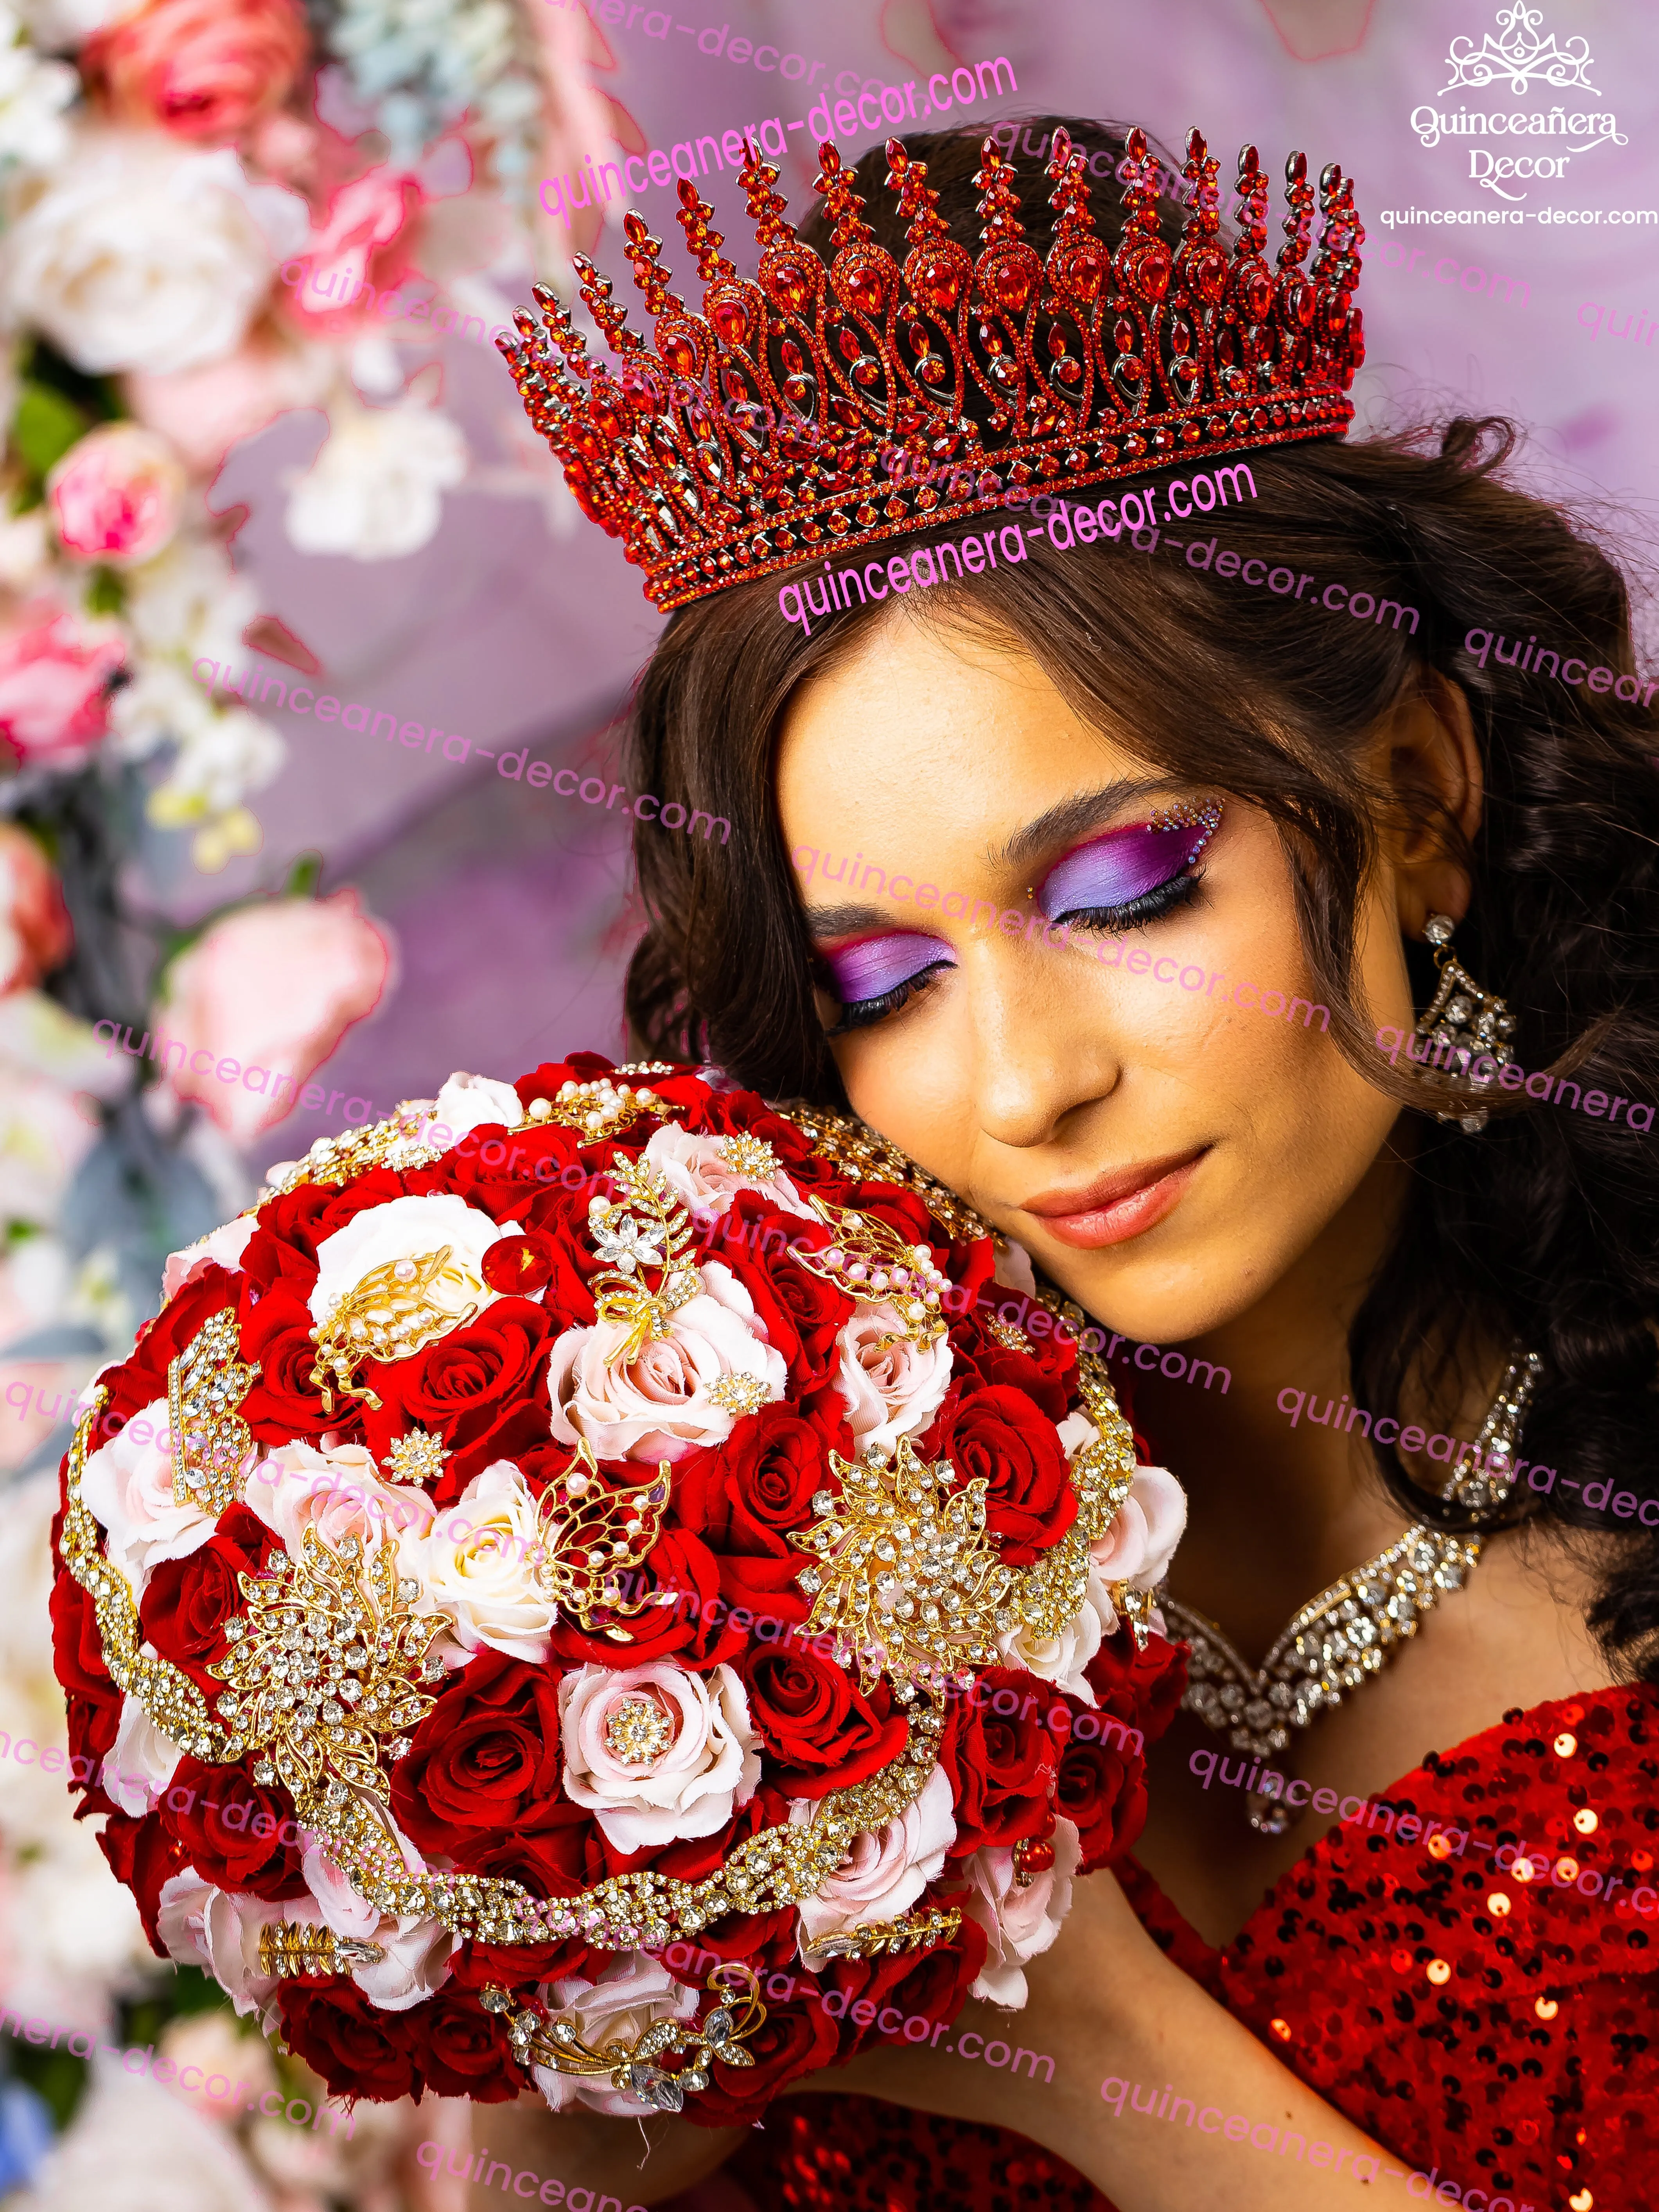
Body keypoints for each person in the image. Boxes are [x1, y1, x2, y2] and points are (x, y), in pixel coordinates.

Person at [488, 113, 1659, 2210]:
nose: (1023, 1087)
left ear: (1411, 802)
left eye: (1123, 886)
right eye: (883, 975)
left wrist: (1099, 2064)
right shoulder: (764, 1609)